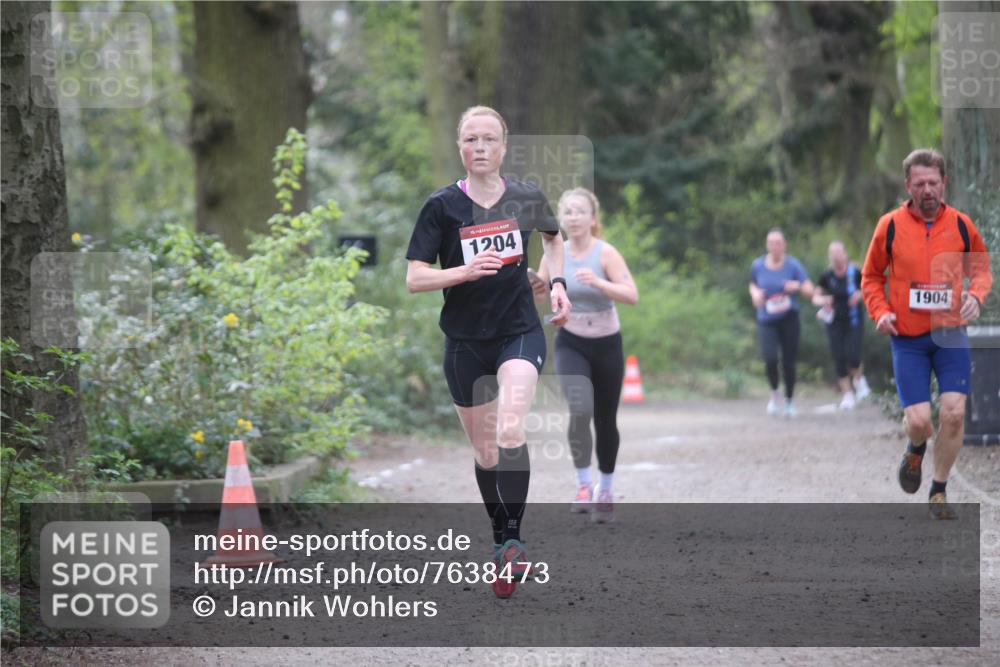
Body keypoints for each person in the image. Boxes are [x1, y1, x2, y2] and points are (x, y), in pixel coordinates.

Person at [406, 106, 571, 597]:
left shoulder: (526, 196)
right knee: (484, 451)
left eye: (489, 139)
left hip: (519, 331)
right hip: (464, 342)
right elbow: (415, 278)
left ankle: (514, 540)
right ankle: (501, 542)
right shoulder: (441, 206)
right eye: (471, 139)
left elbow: (553, 239)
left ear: (504, 146)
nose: (480, 147)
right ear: (460, 147)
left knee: (511, 427)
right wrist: (463, 272)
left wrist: (556, 283)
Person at [861, 148, 992, 520]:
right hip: (908, 339)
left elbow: (981, 270)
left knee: (954, 413)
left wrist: (976, 296)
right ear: (908, 186)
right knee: (920, 421)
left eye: (933, 182)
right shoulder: (889, 226)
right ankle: (915, 447)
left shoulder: (962, 226)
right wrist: (880, 311)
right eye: (919, 184)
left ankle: (938, 489)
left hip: (950, 336)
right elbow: (871, 277)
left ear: (944, 183)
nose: (927, 190)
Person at [530, 188, 638, 523]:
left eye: (580, 211)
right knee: (580, 410)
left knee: (605, 419)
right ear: (561, 219)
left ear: (593, 218)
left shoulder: (606, 253)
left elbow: (631, 295)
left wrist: (599, 283)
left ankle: (606, 489)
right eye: (568, 212)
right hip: (571, 341)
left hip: (607, 342)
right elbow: (540, 295)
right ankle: (583, 485)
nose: (574, 217)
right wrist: (534, 287)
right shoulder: (553, 254)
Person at [749, 229, 814, 418]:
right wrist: (755, 294)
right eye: (771, 243)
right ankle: (775, 392)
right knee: (770, 359)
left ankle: (790, 400)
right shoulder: (758, 265)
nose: (775, 247)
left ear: (784, 244)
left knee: (789, 362)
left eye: (778, 243)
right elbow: (752, 284)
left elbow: (810, 290)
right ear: (766, 245)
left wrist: (798, 286)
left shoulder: (793, 265)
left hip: (789, 319)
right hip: (766, 320)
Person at [813, 240, 872, 410]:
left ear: (845, 254)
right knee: (838, 356)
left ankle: (859, 381)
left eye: (839, 252)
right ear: (829, 256)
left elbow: (870, 288)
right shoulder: (827, 276)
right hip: (834, 322)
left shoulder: (855, 273)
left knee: (853, 354)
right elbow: (815, 297)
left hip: (854, 320)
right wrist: (823, 300)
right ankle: (847, 395)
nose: (836, 257)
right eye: (833, 253)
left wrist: (859, 295)